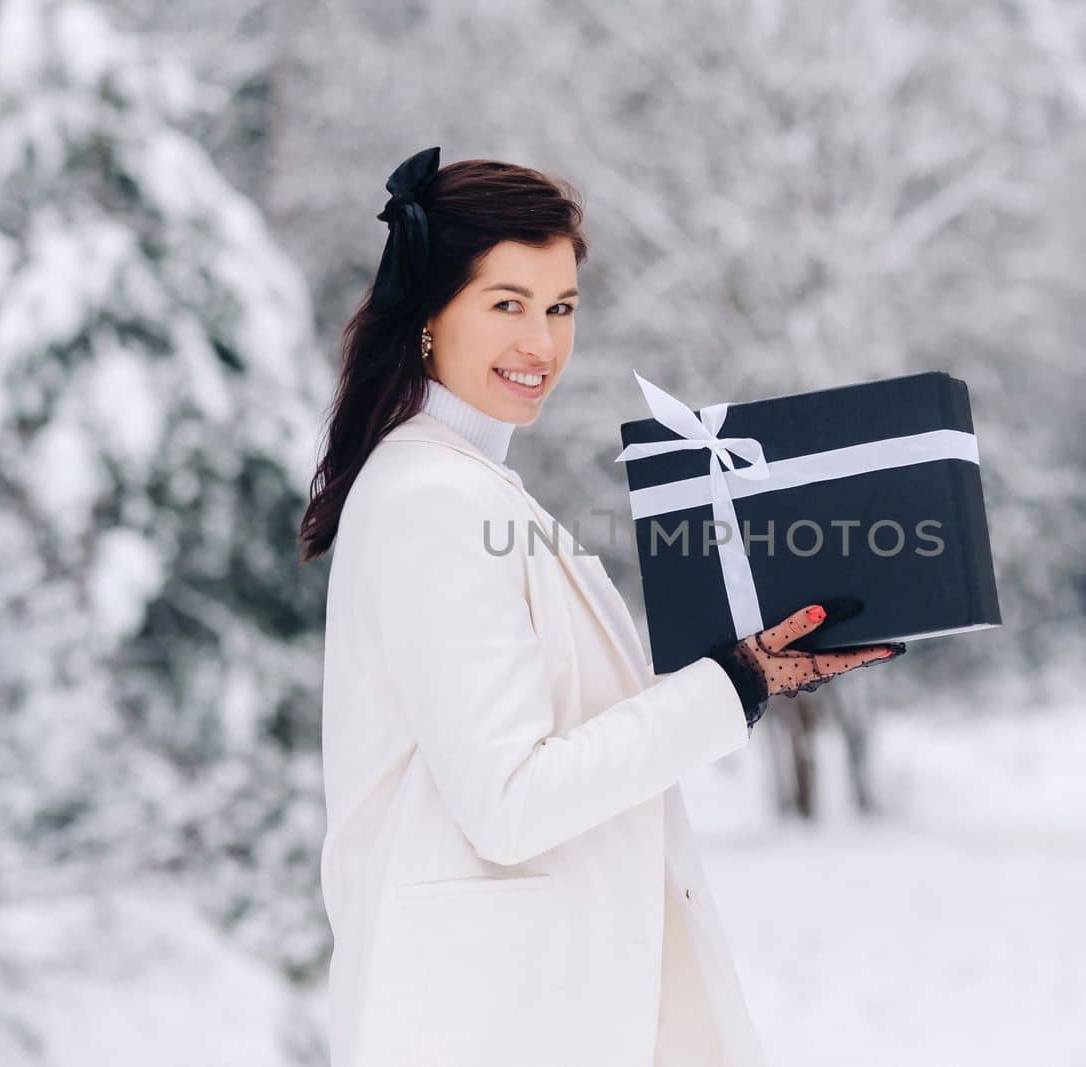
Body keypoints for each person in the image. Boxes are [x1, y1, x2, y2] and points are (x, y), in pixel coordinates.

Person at [299, 146, 906, 1067]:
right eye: (507, 304)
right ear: (428, 315)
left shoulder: (472, 488)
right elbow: (509, 800)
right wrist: (731, 688)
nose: (541, 344)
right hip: (489, 1020)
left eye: (561, 307)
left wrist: (740, 670)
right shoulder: (434, 499)